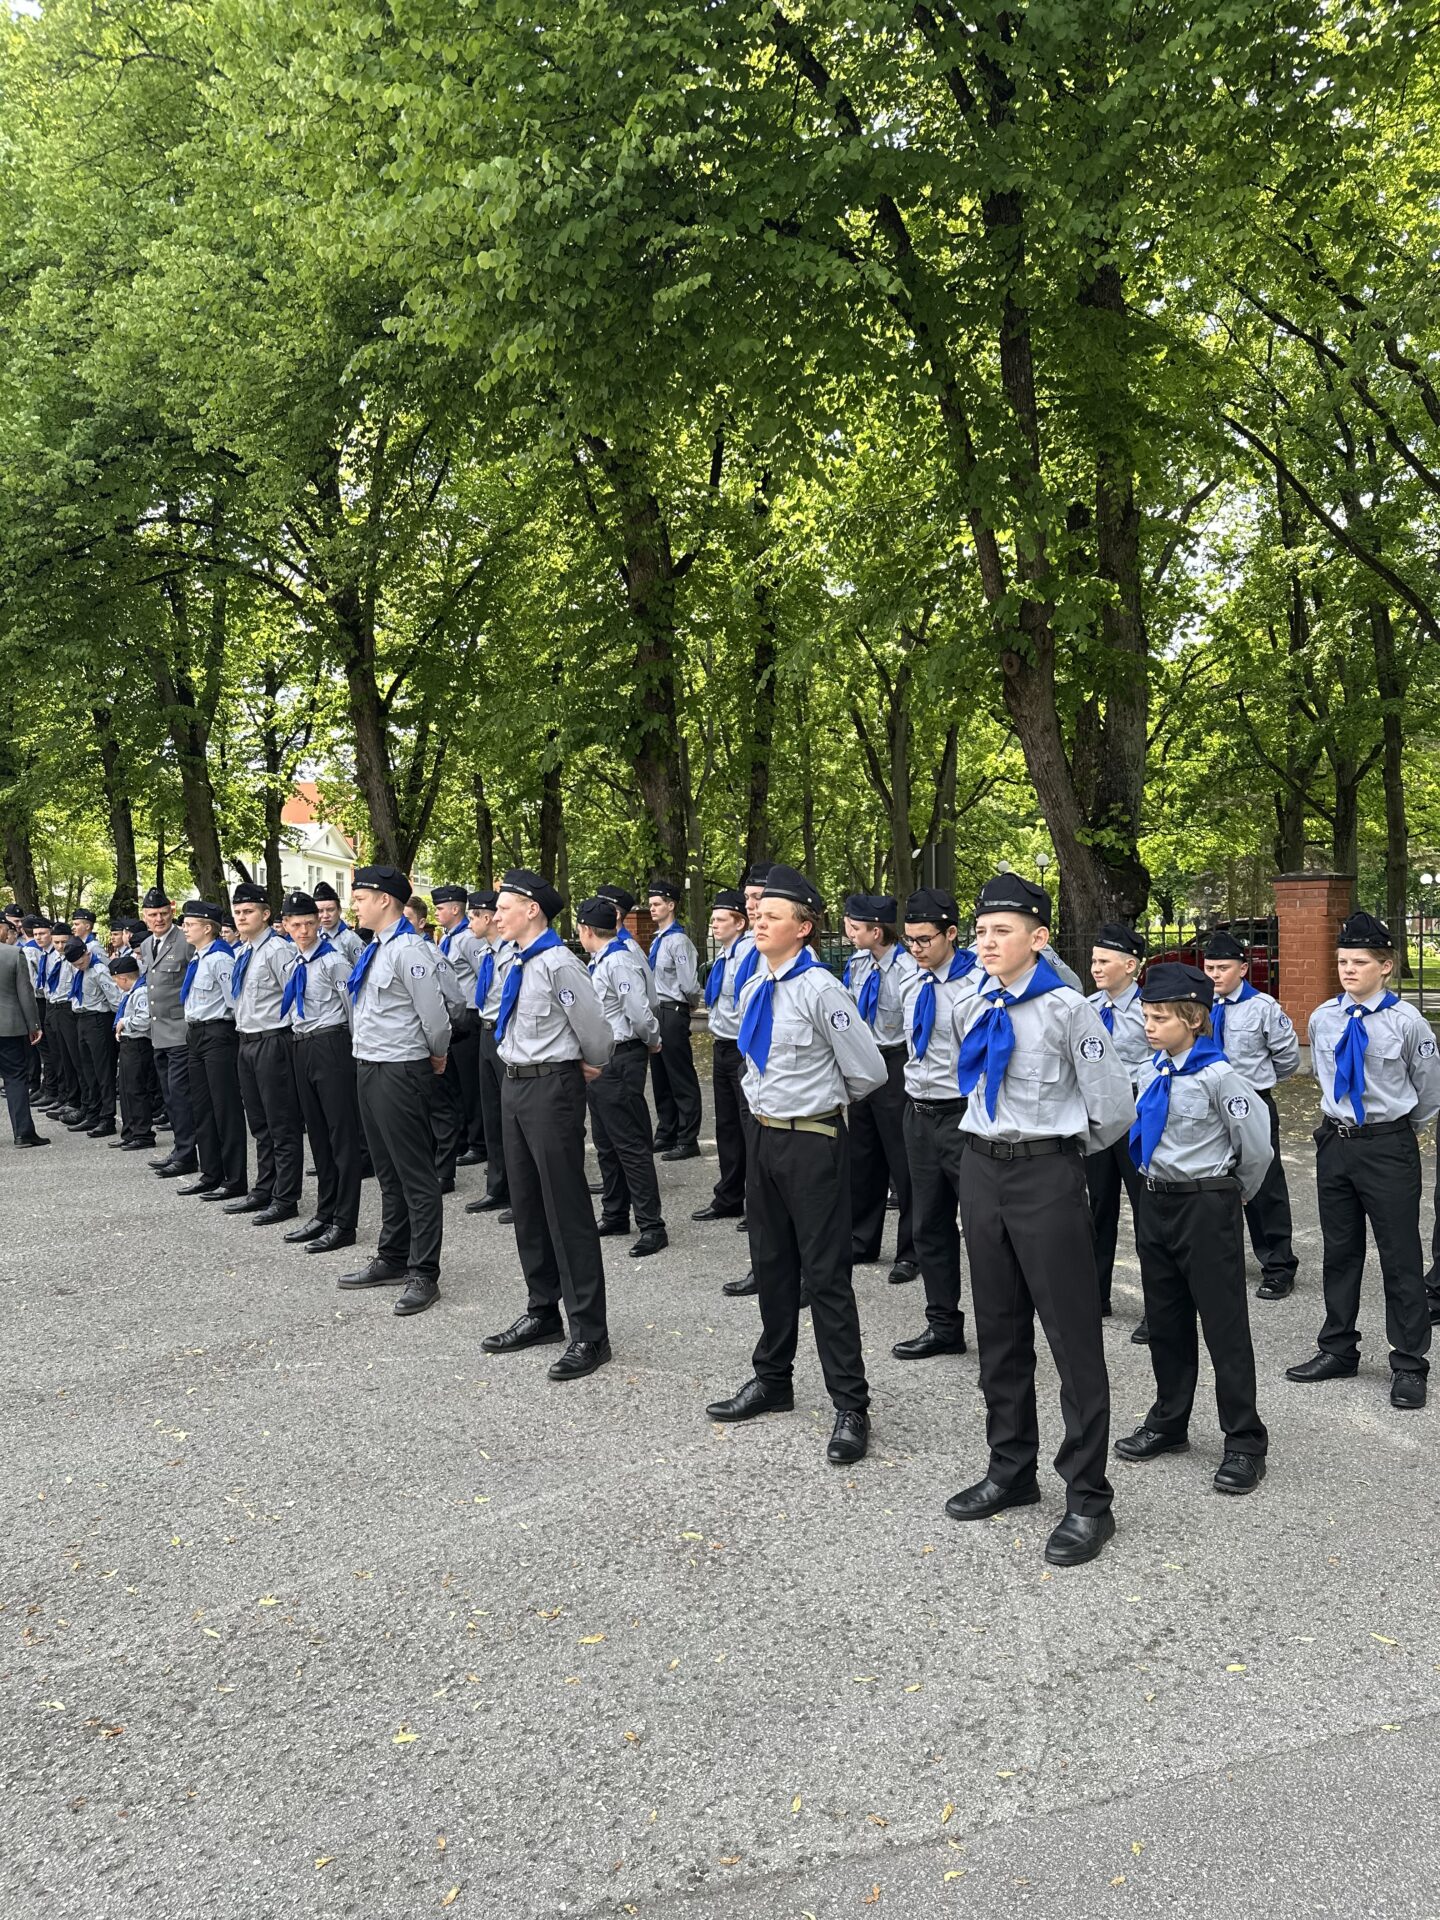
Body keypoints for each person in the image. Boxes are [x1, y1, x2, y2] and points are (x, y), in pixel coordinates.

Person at [949, 874, 1136, 1567]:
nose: (986, 942)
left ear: (1039, 938)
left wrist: (1056, 1157)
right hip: (981, 1168)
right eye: (981, 931)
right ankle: (1011, 1470)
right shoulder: (971, 1001)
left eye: (1002, 931)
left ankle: (1088, 1498)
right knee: (998, 1330)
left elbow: (1113, 1108)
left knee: (1071, 1338)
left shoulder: (1067, 1010)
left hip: (1045, 1174)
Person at [707, 865, 888, 1464]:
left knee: (826, 1276)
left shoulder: (820, 990)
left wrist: (818, 1106)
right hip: (764, 1138)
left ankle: (850, 1404)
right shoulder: (758, 982)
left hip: (812, 1142)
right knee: (772, 1264)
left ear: (804, 927)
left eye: (772, 916)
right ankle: (773, 1379)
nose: (758, 922)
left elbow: (868, 1071)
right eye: (757, 915)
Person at [1119, 962, 1273, 1494]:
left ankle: (1245, 1441)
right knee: (1165, 1319)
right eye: (1146, 1016)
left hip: (1204, 1205)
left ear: (1193, 1019)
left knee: (1223, 1326)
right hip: (1155, 1200)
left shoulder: (1220, 1077)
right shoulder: (1152, 1070)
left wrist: (1230, 1194)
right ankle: (1169, 1421)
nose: (1149, 1026)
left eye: (1160, 1018)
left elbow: (1256, 1147)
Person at [1285, 911, 1439, 1411]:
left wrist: (1395, 1132)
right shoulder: (1324, 1017)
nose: (1348, 970)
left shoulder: (1407, 1023)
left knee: (1399, 1255)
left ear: (1386, 966)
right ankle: (1338, 1348)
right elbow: (1325, 1077)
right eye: (1343, 962)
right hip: (1337, 1142)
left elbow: (1428, 1091)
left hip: (1387, 1146)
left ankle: (1410, 1362)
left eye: (1359, 962)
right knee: (1340, 1250)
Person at [481, 868, 615, 1380]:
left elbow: (597, 1034)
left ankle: (590, 1333)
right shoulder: (515, 959)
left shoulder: (560, 964)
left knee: (565, 1209)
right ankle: (543, 1312)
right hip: (515, 1084)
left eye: (504, 907)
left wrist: (584, 1064)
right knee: (527, 1205)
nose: (496, 916)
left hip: (550, 1087)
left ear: (531, 909)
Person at [339, 866, 451, 1316]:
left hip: (401, 1069)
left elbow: (437, 1016)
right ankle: (393, 1256)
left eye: (360, 898)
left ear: (385, 899)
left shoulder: (409, 950)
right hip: (369, 1066)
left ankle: (424, 1272)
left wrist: (436, 1055)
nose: (354, 905)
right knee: (387, 1173)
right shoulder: (378, 948)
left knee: (415, 1176)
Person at [893, 888, 980, 1361]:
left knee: (984, 1230)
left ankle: (1001, 1337)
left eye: (924, 939)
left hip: (963, 1116)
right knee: (928, 1225)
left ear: (951, 933)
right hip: (919, 1114)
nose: (915, 948)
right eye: (908, 940)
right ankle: (943, 1325)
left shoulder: (978, 984)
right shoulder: (910, 982)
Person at [1203, 928, 1301, 1301]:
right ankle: (1219, 1259)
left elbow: (1288, 1058)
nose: (1215, 974)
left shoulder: (1263, 1008)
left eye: (1223, 968)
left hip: (1252, 1104)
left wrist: (1255, 1088)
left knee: (1264, 1186)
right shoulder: (1198, 1005)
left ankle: (1278, 1266)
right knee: (1212, 1183)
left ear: (1243, 969)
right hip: (1209, 1105)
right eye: (1210, 967)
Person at [577, 895, 667, 1257]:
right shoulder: (601, 961)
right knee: (606, 1142)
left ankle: (651, 1225)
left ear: (586, 930)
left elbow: (640, 1012)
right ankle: (615, 1213)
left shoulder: (618, 961)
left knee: (629, 1144)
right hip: (603, 1060)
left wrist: (653, 1040)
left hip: (621, 1056)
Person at [842, 893, 920, 1286]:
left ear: (877, 931)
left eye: (855, 927)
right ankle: (862, 1238)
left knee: (902, 1160)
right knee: (863, 1155)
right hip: (864, 1062)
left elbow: (913, 1025)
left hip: (895, 1063)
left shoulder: (907, 968)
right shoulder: (857, 963)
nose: (849, 932)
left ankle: (911, 1251)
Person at [279, 890, 361, 1255]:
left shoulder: (334, 962)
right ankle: (325, 1212)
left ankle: (345, 1221)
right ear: (286, 925)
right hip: (302, 1044)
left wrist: (355, 1054)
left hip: (331, 1044)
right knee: (317, 1134)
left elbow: (353, 1009)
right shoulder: (294, 962)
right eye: (296, 925)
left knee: (341, 1135)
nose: (304, 931)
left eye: (310, 923)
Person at [1085, 924, 1150, 1332]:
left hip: (1136, 1116)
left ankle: (1157, 1307)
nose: (1095, 968)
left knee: (1147, 1213)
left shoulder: (1149, 1009)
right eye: (1093, 960)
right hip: (1097, 1115)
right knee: (1097, 1207)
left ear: (1130, 966)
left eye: (1104, 961)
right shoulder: (1087, 1008)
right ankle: (1096, 1295)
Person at [227, 881, 304, 1225]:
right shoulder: (243, 952)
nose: (242, 917)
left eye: (249, 911)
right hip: (246, 1041)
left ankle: (286, 1197)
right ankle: (265, 1188)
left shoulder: (277, 951)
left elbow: (296, 998)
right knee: (259, 1123)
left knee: (281, 1123)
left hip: (273, 1041)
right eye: (238, 912)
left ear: (266, 914)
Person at [178, 901, 246, 1200]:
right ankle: (211, 1172)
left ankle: (234, 1178)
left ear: (207, 928)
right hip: (196, 1033)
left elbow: (235, 1003)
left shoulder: (220, 959)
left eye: (190, 924)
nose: (185, 929)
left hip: (218, 1033)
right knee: (202, 1107)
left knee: (225, 1108)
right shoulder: (199, 957)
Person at [693, 889, 753, 1226]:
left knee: (749, 1127)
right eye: (712, 919)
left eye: (720, 919)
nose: (713, 925)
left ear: (739, 922)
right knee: (727, 1127)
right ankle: (729, 1197)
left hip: (741, 1049)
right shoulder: (723, 956)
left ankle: (757, 1202)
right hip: (721, 1046)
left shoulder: (749, 955)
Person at [139, 888, 199, 1179]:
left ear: (172, 912)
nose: (159, 919)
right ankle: (179, 1148)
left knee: (180, 1096)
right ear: (145, 917)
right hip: (158, 1033)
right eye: (152, 915)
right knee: (169, 1096)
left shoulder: (185, 941)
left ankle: (187, 1154)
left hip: (180, 1032)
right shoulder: (147, 943)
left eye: (163, 913)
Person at [465, 890, 515, 1217]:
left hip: (502, 1033)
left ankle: (520, 1191)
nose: (470, 922)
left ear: (487, 917)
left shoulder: (510, 954)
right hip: (485, 1032)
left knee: (511, 1116)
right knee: (492, 1114)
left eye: (473, 916)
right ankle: (497, 1187)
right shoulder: (487, 952)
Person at [646, 878, 703, 1159]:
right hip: (658, 1012)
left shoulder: (678, 942)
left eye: (657, 904)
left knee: (680, 1077)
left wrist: (688, 1005)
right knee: (661, 1077)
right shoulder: (658, 940)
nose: (652, 909)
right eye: (650, 904)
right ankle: (667, 1132)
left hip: (672, 1011)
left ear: (671, 905)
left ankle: (687, 1138)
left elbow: (689, 984)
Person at [432, 884, 487, 1167]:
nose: (436, 913)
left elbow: (484, 977)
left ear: (455, 909)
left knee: (470, 1085)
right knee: (455, 1084)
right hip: (454, 1016)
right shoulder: (449, 938)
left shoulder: (468, 939)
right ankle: (463, 1138)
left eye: (440, 908)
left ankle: (478, 1143)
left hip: (470, 1015)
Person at [0, 930, 45, 1148]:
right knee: (16, 1078)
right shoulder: (13, 953)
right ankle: (23, 1133)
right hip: (9, 1027)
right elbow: (25, 992)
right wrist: (34, 1025)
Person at [110, 951, 158, 1150]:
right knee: (126, 1090)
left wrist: (125, 1022)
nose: (116, 985)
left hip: (138, 1044)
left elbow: (145, 1019)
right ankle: (129, 1131)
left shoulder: (141, 992)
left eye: (116, 981)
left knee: (136, 1090)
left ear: (123, 978)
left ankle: (143, 1133)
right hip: (128, 1044)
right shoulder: (131, 992)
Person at [75, 936, 122, 1137]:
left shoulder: (99, 970)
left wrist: (116, 1023)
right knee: (88, 1071)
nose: (79, 966)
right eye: (75, 964)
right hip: (82, 1019)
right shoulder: (79, 970)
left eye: (80, 962)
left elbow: (115, 999)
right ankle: (92, 1113)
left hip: (98, 1020)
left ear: (87, 953)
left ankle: (107, 1118)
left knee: (103, 1072)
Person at [314, 882, 364, 965]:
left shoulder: (350, 939)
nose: (325, 915)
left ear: (339, 910)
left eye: (330, 910)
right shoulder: (314, 936)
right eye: (320, 911)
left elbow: (363, 968)